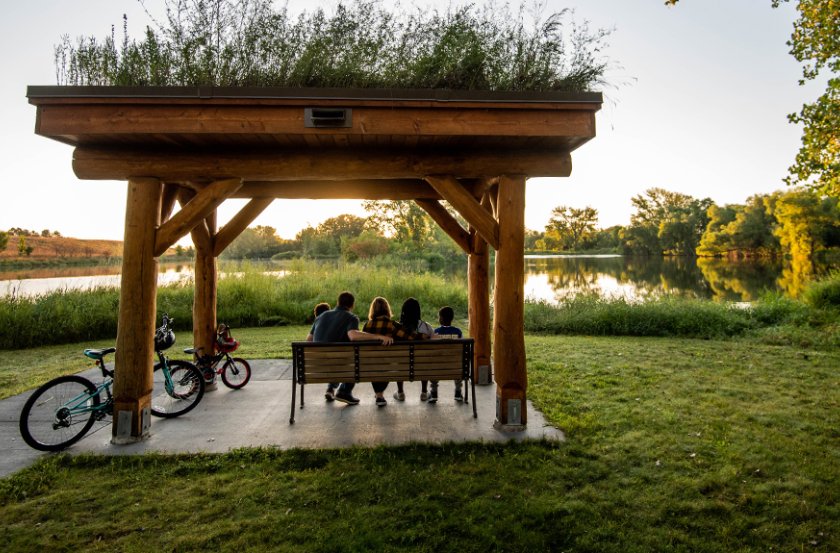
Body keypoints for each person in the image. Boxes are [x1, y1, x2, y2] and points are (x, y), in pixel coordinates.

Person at [307, 291, 393, 405]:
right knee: (356, 358)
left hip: (315, 366)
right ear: (352, 305)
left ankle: (332, 388)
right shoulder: (351, 317)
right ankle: (344, 391)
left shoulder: (321, 316)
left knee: (338, 357)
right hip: (337, 365)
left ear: (338, 303)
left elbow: (308, 340)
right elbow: (353, 336)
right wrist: (379, 336)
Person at [362, 296, 427, 407]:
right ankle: (379, 394)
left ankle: (379, 395)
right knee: (387, 361)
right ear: (387, 309)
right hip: (388, 363)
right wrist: (425, 335)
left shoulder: (366, 326)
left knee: (376, 362)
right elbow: (411, 337)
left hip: (370, 363)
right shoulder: (392, 325)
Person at [392, 297, 434, 402]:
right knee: (424, 360)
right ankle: (424, 392)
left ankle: (400, 392)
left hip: (403, 364)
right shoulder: (427, 327)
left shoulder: (398, 329)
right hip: (421, 363)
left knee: (399, 360)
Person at [430, 305, 464, 403]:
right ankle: (458, 391)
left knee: (433, 366)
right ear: (452, 318)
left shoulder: (436, 332)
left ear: (441, 318)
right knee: (458, 364)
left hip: (438, 366)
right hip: (455, 366)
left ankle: (434, 392)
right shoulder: (458, 332)